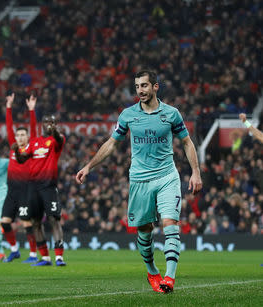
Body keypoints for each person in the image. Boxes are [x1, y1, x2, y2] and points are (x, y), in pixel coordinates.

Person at [76, 70, 202, 293]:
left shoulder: (171, 114)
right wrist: (88, 166)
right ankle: (152, 271)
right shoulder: (127, 115)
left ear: (155, 87)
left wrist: (196, 172)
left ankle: (170, 278)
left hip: (167, 177)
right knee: (144, 231)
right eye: (137, 86)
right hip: (139, 180)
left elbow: (187, 142)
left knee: (170, 225)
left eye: (144, 86)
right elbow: (112, 144)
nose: (140, 90)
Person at [14, 112, 66, 266]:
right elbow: (22, 159)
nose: (48, 124)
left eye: (52, 122)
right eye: (46, 121)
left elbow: (58, 138)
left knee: (54, 219)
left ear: (55, 125)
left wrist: (54, 131)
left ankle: (59, 257)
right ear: (41, 124)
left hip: (48, 186)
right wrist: (17, 150)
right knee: (35, 222)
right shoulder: (34, 142)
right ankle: (45, 258)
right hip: (33, 187)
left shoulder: (57, 140)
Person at [1, 93, 38, 263]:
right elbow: (9, 127)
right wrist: (8, 107)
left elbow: (34, 128)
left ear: (27, 137)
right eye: (18, 135)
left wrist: (31, 110)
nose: (20, 137)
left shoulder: (30, 149)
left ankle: (32, 254)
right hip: (11, 191)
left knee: (26, 223)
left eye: (23, 135)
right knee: (5, 222)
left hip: (26, 191)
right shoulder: (13, 147)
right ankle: (14, 250)